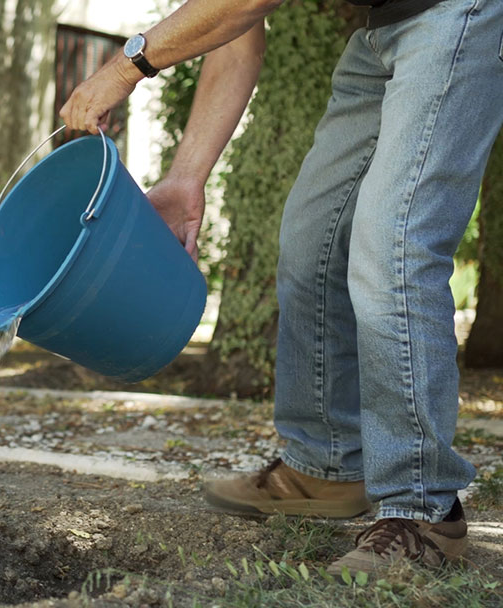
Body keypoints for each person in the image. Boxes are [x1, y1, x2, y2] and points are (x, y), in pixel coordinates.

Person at [61, 0, 502, 576]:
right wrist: (186, 177)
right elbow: (235, 29)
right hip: (379, 32)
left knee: (392, 243)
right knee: (310, 239)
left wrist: (124, 68)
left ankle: (424, 513)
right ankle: (327, 465)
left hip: (458, 12)